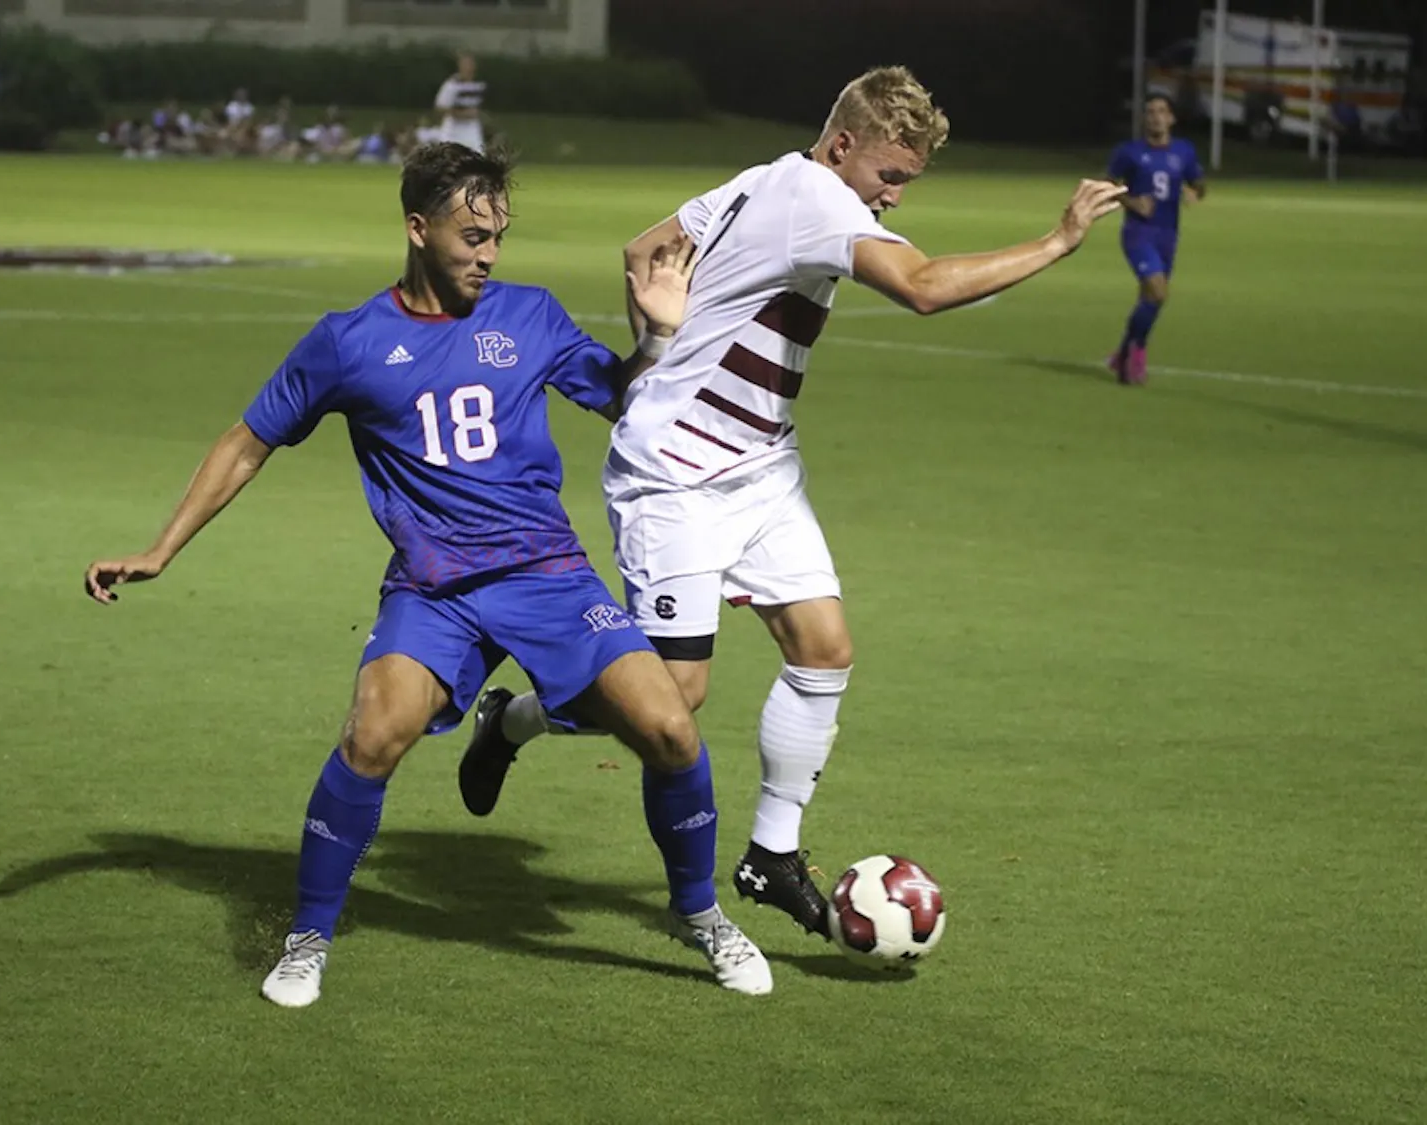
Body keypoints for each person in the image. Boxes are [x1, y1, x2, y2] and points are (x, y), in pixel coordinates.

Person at [82, 142, 772, 1005]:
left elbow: (623, 396)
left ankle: (700, 911)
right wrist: (161, 548)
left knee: (671, 730)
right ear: (418, 228)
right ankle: (307, 936)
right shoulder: (348, 342)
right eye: (473, 236)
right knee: (373, 735)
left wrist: (658, 336)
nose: (489, 255)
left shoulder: (530, 314)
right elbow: (248, 440)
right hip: (434, 586)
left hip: (548, 573)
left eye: (499, 237)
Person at [458, 66, 1125, 937]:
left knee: (824, 648)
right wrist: (1058, 241)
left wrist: (657, 341)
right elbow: (923, 288)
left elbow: (645, 248)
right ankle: (511, 720)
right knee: (673, 697)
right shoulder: (815, 198)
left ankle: (771, 854)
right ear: (843, 146)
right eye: (890, 174)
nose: (894, 196)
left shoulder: (767, 176)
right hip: (676, 477)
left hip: (762, 466)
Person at [1105, 93, 1206, 386]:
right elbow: (1108, 185)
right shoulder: (1129, 152)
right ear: (1144, 119)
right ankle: (1136, 354)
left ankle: (1122, 353)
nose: (1156, 117)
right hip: (1138, 233)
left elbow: (1199, 183)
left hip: (1168, 235)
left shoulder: (1184, 151)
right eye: (1150, 112)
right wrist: (1132, 202)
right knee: (1159, 293)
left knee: (1150, 299)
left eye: (1161, 111)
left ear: (1171, 118)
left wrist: (1194, 192)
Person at [435, 53, 487, 154]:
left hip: (472, 129)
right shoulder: (451, 85)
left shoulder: (479, 84)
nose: (468, 67)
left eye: (470, 64)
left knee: (477, 156)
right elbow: (440, 107)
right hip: (453, 131)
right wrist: (460, 114)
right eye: (465, 64)